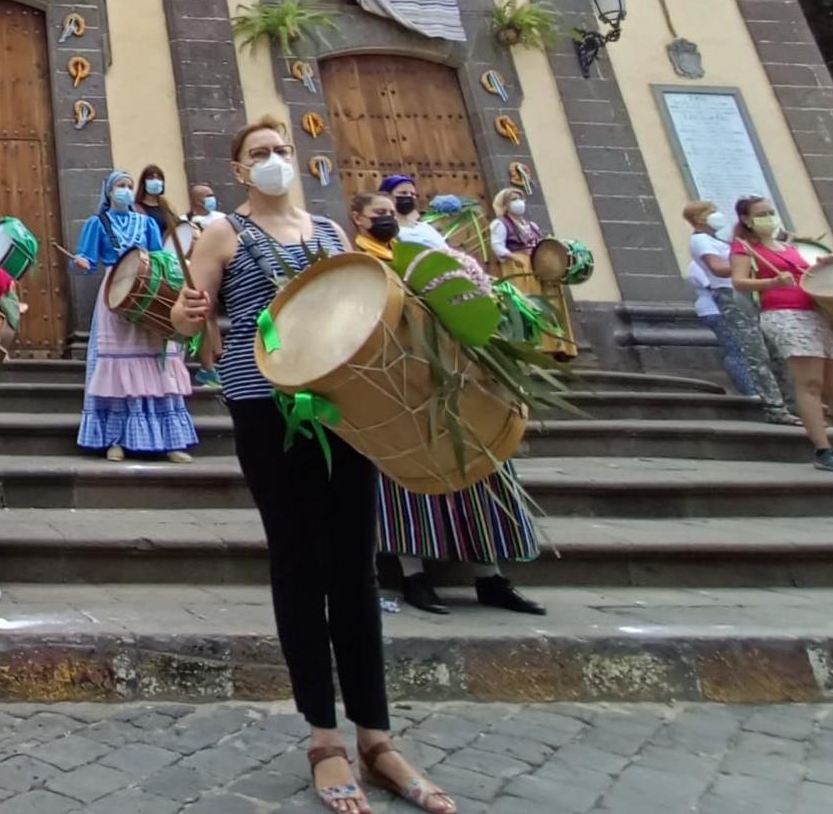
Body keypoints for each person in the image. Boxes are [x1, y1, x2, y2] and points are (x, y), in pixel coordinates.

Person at [180, 121, 453, 814]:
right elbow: (190, 320)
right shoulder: (223, 233)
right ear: (240, 168)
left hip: (343, 406)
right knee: (299, 564)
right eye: (260, 154)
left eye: (282, 152)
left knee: (356, 569)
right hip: (264, 406)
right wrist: (187, 311)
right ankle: (324, 738)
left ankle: (377, 735)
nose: (274, 161)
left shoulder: (330, 234)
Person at [351, 192, 544, 618]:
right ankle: (414, 577)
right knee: (407, 484)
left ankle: (491, 577)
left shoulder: (422, 254)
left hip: (457, 378)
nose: (388, 218)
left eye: (390, 213)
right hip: (401, 388)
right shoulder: (359, 265)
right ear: (358, 220)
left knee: (478, 470)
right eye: (378, 214)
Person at [730, 196, 833, 473]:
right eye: (762, 213)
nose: (769, 217)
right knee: (811, 383)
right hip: (785, 313)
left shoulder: (789, 246)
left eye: (771, 211)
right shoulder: (744, 247)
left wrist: (823, 267)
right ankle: (823, 450)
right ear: (746, 220)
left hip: (820, 312)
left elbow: (806, 276)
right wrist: (772, 281)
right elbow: (739, 281)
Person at [72, 171, 196, 463]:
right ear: (108, 192)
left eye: (129, 186)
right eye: (120, 186)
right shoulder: (97, 223)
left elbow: (159, 258)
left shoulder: (147, 222)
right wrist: (81, 262)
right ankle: (116, 439)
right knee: (119, 363)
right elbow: (87, 262)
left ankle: (170, 440)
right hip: (114, 295)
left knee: (156, 363)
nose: (126, 191)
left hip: (148, 290)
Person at [683, 199, 794, 424]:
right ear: (699, 218)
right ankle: (771, 403)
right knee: (752, 350)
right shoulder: (701, 241)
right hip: (728, 294)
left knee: (771, 348)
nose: (717, 215)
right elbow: (717, 268)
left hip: (745, 295)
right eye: (711, 212)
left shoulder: (717, 239)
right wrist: (747, 262)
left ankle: (789, 401)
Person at [136, 164, 180, 238]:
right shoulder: (135, 208)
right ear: (143, 182)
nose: (156, 181)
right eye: (151, 178)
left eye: (159, 178)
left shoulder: (168, 206)